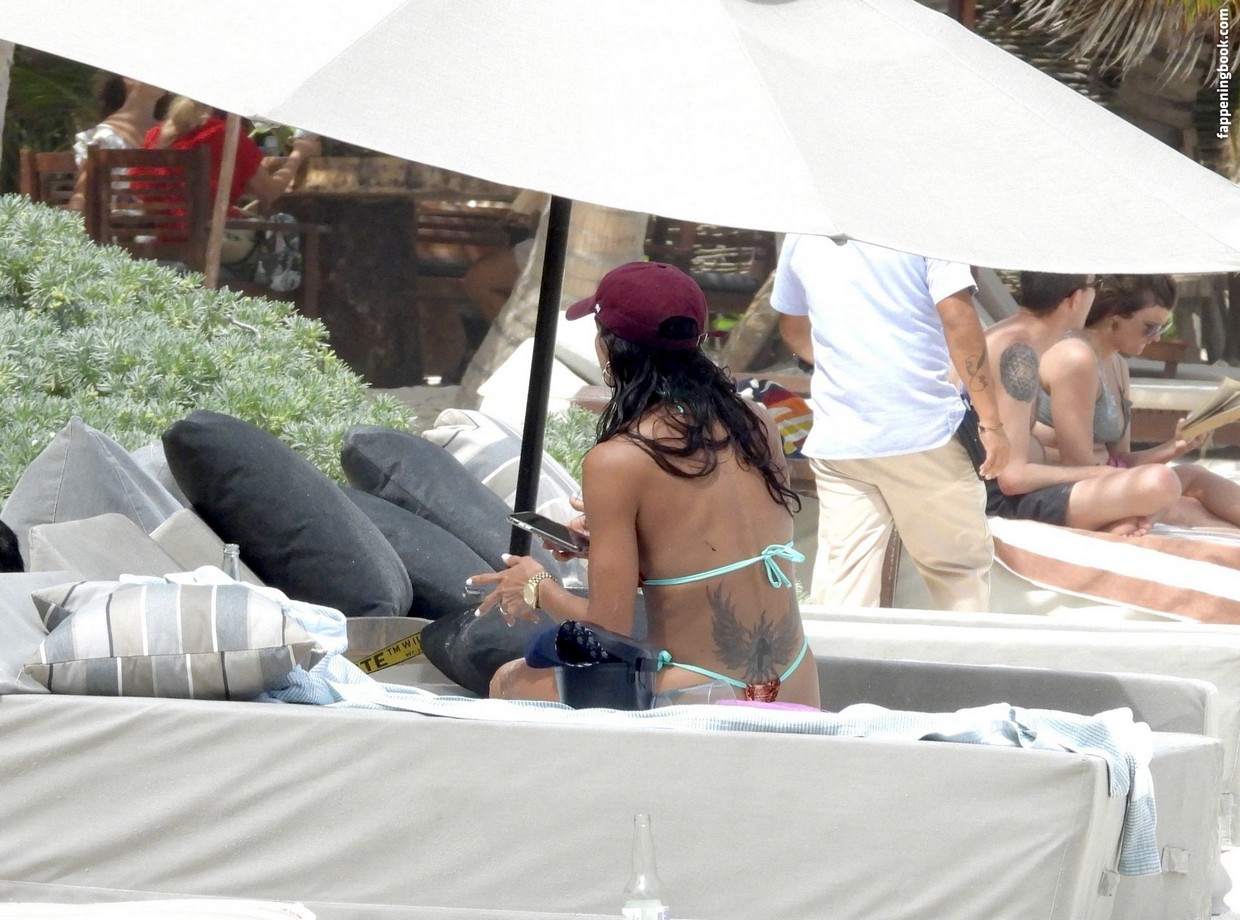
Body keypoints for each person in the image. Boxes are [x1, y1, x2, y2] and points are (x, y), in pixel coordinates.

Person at [470, 261, 820, 707]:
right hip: (796, 683)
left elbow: (608, 629)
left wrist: (537, 586)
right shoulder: (757, 421)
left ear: (608, 346)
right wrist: (617, 545)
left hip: (701, 692)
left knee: (507, 681)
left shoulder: (619, 459)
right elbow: (713, 542)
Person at [772, 236, 1008, 611]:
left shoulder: (805, 231)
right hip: (923, 430)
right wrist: (991, 424)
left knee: (845, 589)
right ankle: (959, 653)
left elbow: (794, 327)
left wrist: (853, 367)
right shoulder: (922, 221)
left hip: (841, 437)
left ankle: (841, 653)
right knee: (957, 574)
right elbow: (958, 318)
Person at [1037, 274, 1240, 530]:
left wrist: (1176, 446)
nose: (1156, 338)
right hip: (1066, 492)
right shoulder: (1075, 358)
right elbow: (1077, 466)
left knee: (1195, 476)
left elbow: (1120, 458)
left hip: (1107, 479)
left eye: (1162, 328)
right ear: (1115, 317)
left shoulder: (1117, 365)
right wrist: (1143, 489)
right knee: (1179, 502)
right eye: (1150, 327)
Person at [984, 272, 1181, 535]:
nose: (1099, 295)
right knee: (1162, 483)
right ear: (1077, 298)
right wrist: (1109, 475)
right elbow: (1013, 478)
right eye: (1096, 286)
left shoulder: (1011, 340)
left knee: (1171, 485)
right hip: (1001, 501)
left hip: (1010, 492)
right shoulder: (1020, 353)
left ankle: (1127, 522)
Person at [67, 73, 168, 212]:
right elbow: (83, 194)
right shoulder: (105, 136)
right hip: (118, 222)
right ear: (128, 78)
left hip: (166, 220)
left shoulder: (170, 132)